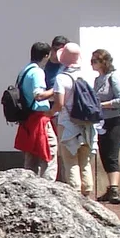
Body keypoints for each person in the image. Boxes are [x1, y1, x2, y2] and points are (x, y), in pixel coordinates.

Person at [54, 42, 97, 196]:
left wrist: (49, 113)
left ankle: (75, 193)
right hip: (87, 125)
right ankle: (88, 193)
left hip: (68, 124)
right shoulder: (88, 76)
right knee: (85, 162)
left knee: (70, 161)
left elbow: (59, 104)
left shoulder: (61, 78)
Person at [91, 48, 120, 203]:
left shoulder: (114, 78)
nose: (92, 64)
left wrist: (103, 105)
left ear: (103, 62)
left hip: (115, 121)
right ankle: (110, 188)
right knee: (104, 154)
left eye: (95, 61)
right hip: (102, 122)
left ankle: (114, 189)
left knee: (112, 154)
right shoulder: (97, 80)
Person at [13, 40, 58, 178]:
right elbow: (38, 95)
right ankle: (48, 188)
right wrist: (55, 90)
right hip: (39, 118)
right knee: (49, 152)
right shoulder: (38, 72)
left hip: (27, 118)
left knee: (31, 155)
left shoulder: (25, 71)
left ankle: (28, 185)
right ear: (46, 56)